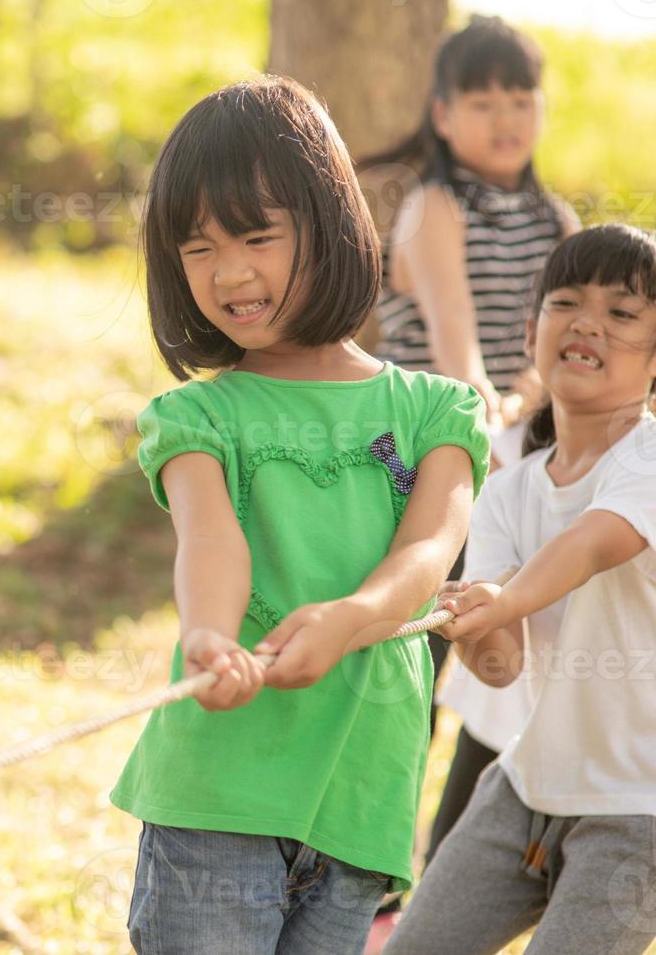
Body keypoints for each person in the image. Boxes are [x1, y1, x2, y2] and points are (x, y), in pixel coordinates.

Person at [112, 76, 490, 955]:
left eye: (255, 235)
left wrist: (356, 618)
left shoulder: (438, 411)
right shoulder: (197, 418)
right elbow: (211, 536)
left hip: (360, 799)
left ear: (328, 223)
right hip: (219, 792)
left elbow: (433, 545)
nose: (230, 271)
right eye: (196, 247)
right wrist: (209, 634)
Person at [357, 19, 580, 946]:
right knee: (409, 675)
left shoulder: (555, 220)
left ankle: (449, 881)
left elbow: (557, 353)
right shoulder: (433, 209)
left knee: (496, 682)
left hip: (511, 470)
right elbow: (458, 356)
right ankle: (369, 891)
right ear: (443, 114)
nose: (505, 119)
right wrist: (499, 415)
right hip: (426, 469)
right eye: (482, 101)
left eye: (520, 99)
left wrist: (528, 405)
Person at [384, 224, 656, 954]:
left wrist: (500, 598)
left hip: (641, 814)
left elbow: (595, 541)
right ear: (532, 328)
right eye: (565, 301)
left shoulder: (649, 458)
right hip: (526, 788)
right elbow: (503, 666)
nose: (588, 322)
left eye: (623, 314)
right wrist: (468, 618)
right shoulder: (508, 491)